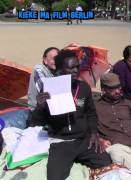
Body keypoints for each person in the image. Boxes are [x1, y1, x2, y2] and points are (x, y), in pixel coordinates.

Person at [28, 50, 111, 180]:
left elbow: (91, 113)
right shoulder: (48, 90)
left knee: (106, 163)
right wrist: (40, 107)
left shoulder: (84, 88)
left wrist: (94, 133)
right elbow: (33, 124)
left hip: (83, 141)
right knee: (54, 177)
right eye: (70, 68)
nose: (75, 71)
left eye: (77, 67)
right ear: (59, 70)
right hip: (60, 143)